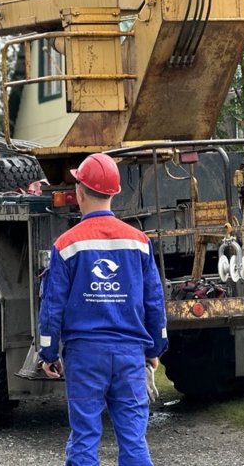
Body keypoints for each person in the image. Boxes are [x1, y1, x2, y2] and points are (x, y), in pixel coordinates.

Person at [38, 153, 168, 466]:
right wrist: (155, 347)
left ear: (80, 193)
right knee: (134, 440)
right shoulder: (139, 242)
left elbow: (52, 305)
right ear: (114, 193)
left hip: (85, 356)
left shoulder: (66, 244)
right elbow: (154, 299)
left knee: (84, 438)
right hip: (129, 354)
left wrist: (48, 352)